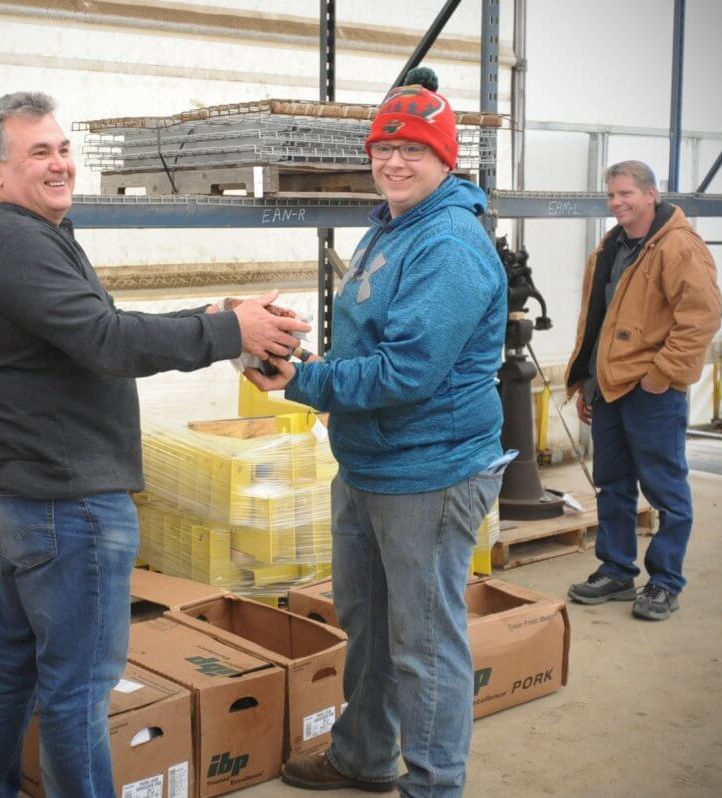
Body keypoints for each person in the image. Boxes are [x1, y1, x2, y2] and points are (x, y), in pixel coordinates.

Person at [0, 91, 309, 798]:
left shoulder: (29, 233)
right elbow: (108, 341)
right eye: (38, 153)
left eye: (61, 149)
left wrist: (208, 317)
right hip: (64, 498)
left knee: (17, 662)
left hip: (32, 491)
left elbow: (97, 322)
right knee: (80, 690)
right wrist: (226, 332)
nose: (59, 165)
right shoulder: (15, 241)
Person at [246, 68, 507, 798]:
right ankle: (363, 756)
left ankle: (433, 786)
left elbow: (407, 372)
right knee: (369, 623)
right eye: (383, 147)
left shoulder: (449, 242)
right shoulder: (395, 222)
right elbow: (375, 343)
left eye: (413, 149)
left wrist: (303, 380)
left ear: (445, 158)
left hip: (428, 470)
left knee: (422, 644)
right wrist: (301, 354)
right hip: (371, 462)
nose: (393, 161)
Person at [565, 160, 721, 621]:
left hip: (651, 390)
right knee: (612, 485)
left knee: (665, 491)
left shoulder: (677, 246)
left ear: (652, 194)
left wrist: (662, 375)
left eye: (626, 194)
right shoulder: (611, 246)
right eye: (611, 195)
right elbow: (596, 321)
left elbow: (701, 318)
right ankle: (616, 570)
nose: (617, 203)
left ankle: (665, 583)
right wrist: (585, 382)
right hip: (608, 387)